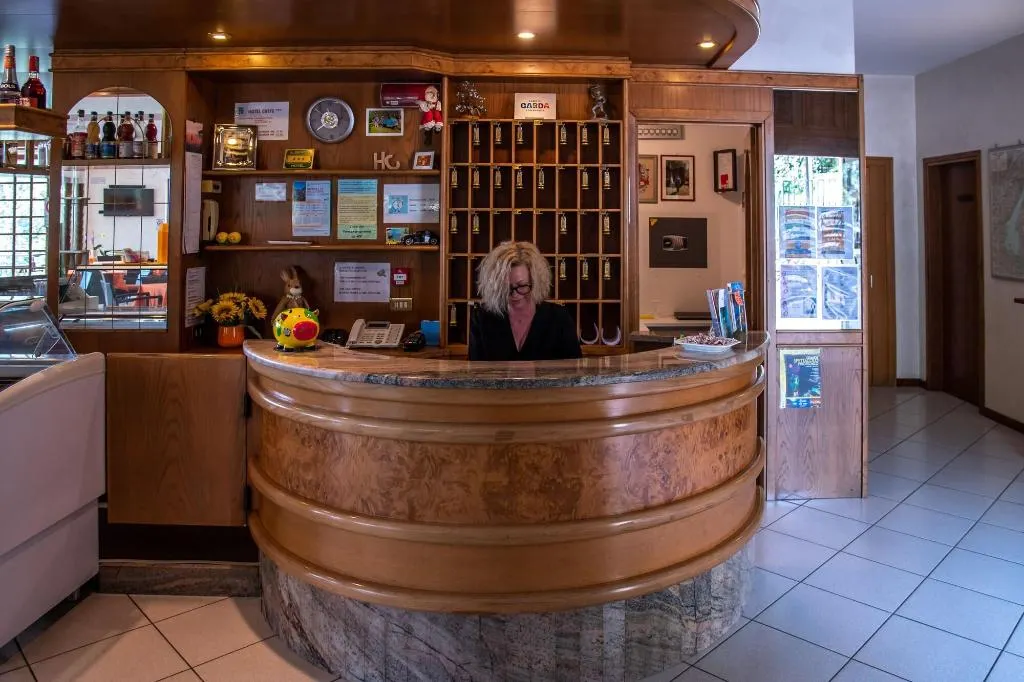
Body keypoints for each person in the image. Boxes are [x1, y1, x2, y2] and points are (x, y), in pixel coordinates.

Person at [469, 241, 582, 362]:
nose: (514, 295)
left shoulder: (559, 318)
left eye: (522, 286)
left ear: (535, 282)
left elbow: (575, 368)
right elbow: (475, 369)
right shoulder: (482, 318)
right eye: (506, 288)